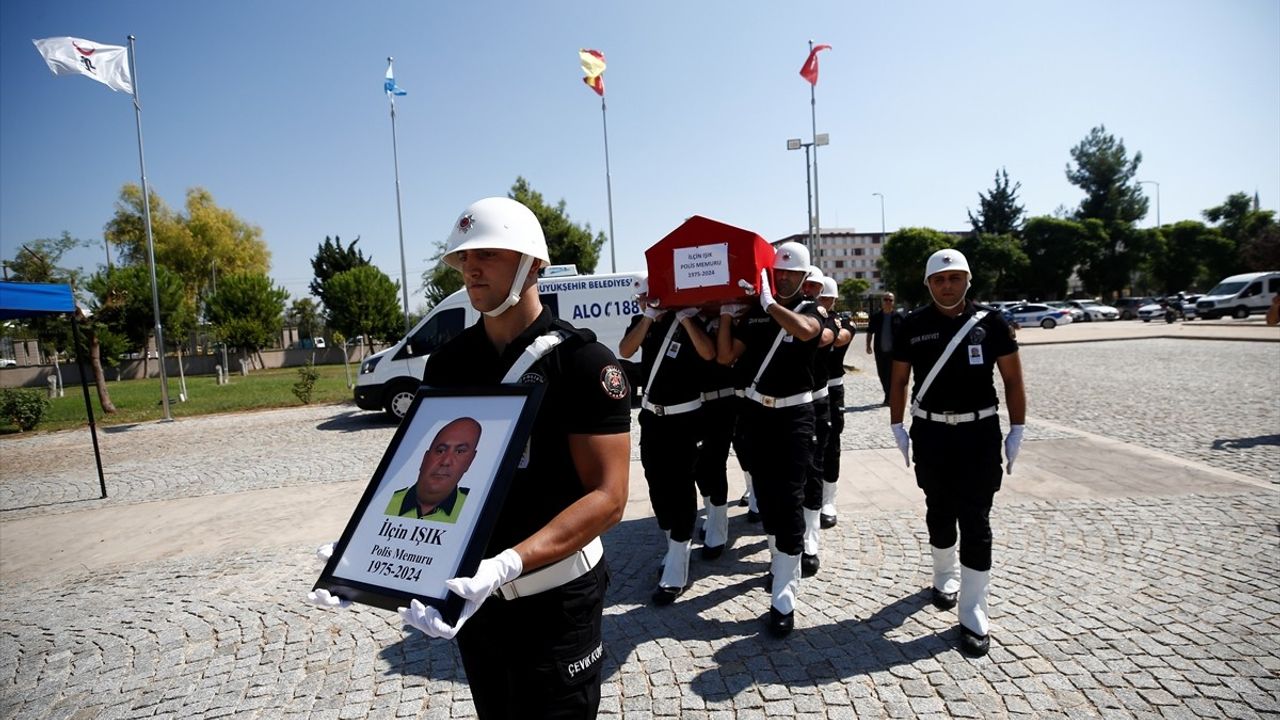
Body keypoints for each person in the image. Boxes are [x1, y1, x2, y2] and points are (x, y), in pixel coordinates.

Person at [311, 196, 631, 718]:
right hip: (473, 603)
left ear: (532, 265)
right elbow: (425, 469)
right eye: (463, 258)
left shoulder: (584, 363)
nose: (470, 267)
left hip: (556, 600)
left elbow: (610, 498)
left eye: (488, 255)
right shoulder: (449, 361)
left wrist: (506, 566)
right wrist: (362, 559)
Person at [888, 248, 1026, 659]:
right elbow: (899, 381)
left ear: (968, 280)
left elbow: (1014, 380)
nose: (947, 285)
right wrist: (896, 424)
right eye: (939, 279)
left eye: (955, 278)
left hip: (979, 433)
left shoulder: (991, 322)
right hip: (930, 431)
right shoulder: (912, 325)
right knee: (938, 509)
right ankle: (943, 576)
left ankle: (973, 611)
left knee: (977, 518)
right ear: (928, 284)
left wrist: (1017, 428)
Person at [717, 241, 823, 637]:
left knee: (791, 496)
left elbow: (807, 331)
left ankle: (784, 594)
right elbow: (725, 356)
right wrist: (729, 317)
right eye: (778, 273)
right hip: (757, 412)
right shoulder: (757, 316)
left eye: (792, 274)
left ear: (805, 277)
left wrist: (770, 305)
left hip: (795, 414)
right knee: (766, 496)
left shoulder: (810, 309)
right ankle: (780, 563)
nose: (784, 279)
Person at [618, 281, 715, 605]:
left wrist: (685, 317)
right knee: (656, 484)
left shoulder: (688, 320)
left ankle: (676, 567)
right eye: (642, 297)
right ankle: (675, 545)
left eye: (649, 295)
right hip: (652, 417)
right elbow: (625, 350)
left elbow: (708, 352)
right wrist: (647, 316)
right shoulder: (642, 321)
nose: (645, 300)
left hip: (686, 417)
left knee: (681, 486)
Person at [798, 266, 836, 577]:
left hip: (816, 400)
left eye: (814, 286)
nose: (808, 290)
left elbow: (824, 337)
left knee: (813, 468)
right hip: (784, 407)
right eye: (805, 284)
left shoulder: (822, 316)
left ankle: (810, 539)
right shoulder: (785, 313)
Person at [385, 417, 482, 523]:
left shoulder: (475, 509)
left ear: (470, 461)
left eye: (459, 452)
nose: (445, 462)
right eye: (440, 451)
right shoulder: (385, 501)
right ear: (425, 458)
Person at [817, 277, 854, 528]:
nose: (823, 302)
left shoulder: (842, 320)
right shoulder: (805, 315)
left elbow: (839, 338)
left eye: (827, 298)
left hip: (832, 387)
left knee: (832, 443)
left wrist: (821, 322)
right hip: (809, 390)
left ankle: (829, 499)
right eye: (821, 297)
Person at [866, 292, 903, 405]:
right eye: (886, 299)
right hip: (880, 351)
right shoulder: (876, 316)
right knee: (882, 374)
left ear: (893, 302)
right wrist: (868, 345)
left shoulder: (898, 317)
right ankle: (888, 395)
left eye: (890, 300)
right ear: (882, 301)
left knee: (892, 375)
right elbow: (870, 332)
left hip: (894, 352)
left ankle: (889, 397)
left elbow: (905, 334)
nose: (888, 302)